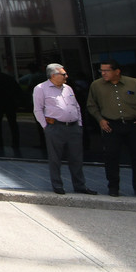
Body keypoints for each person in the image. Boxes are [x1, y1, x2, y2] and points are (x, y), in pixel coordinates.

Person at [86, 61, 136, 198]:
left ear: (117, 71)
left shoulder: (135, 83)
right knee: (111, 156)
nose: (103, 73)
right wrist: (100, 119)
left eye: (106, 70)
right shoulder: (96, 85)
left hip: (134, 124)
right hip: (111, 125)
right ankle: (113, 187)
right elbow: (91, 105)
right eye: (101, 71)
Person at [32, 64, 96, 196]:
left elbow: (76, 106)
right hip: (55, 127)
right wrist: (46, 127)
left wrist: (79, 124)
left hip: (73, 127)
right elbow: (38, 109)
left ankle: (79, 185)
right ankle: (57, 185)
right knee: (55, 158)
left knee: (76, 158)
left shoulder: (68, 88)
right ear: (53, 76)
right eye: (63, 74)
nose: (66, 76)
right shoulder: (41, 88)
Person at [0, 62, 22, 153]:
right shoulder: (8, 78)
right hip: (9, 103)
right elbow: (18, 90)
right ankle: (16, 142)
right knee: (13, 123)